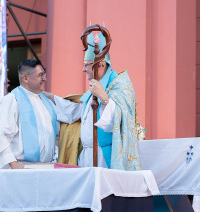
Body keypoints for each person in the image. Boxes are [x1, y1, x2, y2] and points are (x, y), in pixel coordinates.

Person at [45, 32, 140, 170]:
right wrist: (49, 98)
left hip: (105, 156)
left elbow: (120, 119)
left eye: (87, 65)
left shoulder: (120, 85)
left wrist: (104, 97)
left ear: (100, 65)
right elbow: (76, 111)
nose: (83, 70)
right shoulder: (94, 89)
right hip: (87, 155)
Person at [0, 59, 57, 169]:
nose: (45, 79)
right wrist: (12, 163)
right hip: (21, 167)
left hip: (46, 167)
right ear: (26, 78)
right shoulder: (11, 100)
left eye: (44, 74)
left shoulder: (47, 101)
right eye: (40, 75)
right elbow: (0, 135)